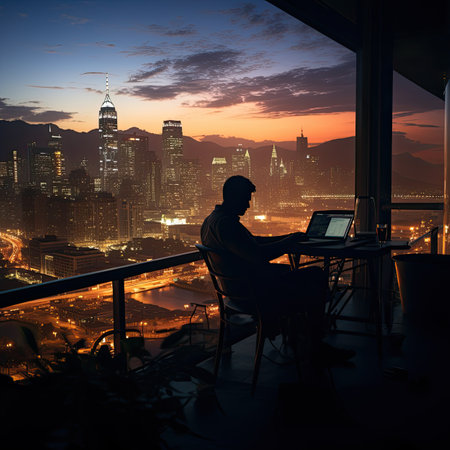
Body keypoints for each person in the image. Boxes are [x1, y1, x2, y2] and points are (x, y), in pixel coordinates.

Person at [201, 175, 355, 367]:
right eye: (246, 198)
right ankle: (313, 345)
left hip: (236, 293)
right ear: (233, 196)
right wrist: (287, 243)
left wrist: (287, 238)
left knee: (303, 277)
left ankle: (301, 338)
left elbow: (253, 243)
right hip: (255, 294)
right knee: (316, 276)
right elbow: (257, 254)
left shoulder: (212, 221)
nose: (248, 204)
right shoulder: (227, 225)